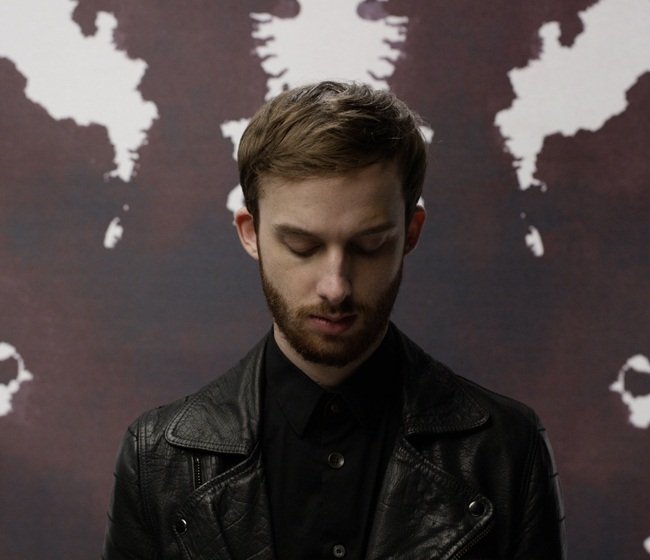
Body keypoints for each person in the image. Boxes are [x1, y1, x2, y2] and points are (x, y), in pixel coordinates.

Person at [102, 81, 566, 559]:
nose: (336, 286)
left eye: (369, 245)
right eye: (302, 246)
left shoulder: (507, 449)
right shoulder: (157, 456)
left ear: (411, 233)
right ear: (250, 233)